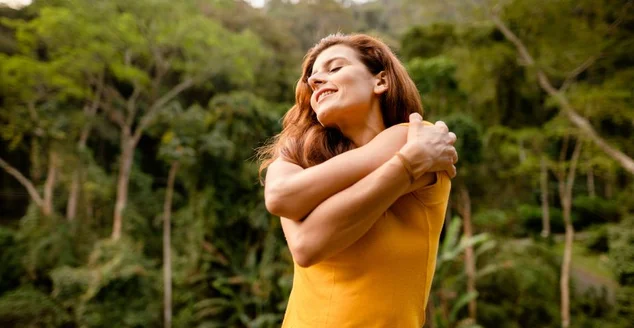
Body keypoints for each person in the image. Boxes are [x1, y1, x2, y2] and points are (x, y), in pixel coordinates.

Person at [258, 33, 458, 327]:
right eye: (312, 79)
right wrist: (407, 165)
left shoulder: (414, 134)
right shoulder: (292, 159)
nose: (316, 81)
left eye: (335, 68)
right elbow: (290, 217)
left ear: (380, 81)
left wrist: (406, 160)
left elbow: (309, 239)